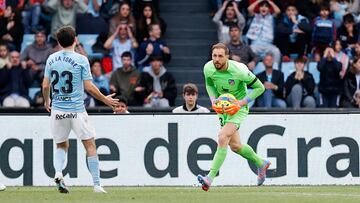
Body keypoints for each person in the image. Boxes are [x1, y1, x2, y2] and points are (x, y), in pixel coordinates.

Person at [42, 26, 120, 194]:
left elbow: (45, 85)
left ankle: (58, 173)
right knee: (90, 145)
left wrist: (47, 100)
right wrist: (105, 99)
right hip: (76, 109)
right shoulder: (81, 59)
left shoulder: (51, 59)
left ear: (58, 42)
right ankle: (97, 185)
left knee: (61, 144)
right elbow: (89, 87)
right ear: (75, 40)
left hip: (57, 110)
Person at [197, 43, 270, 191]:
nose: (216, 59)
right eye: (214, 56)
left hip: (239, 108)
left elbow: (260, 88)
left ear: (227, 57)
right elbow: (209, 84)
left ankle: (209, 178)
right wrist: (213, 100)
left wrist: (241, 103)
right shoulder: (208, 68)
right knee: (235, 146)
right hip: (222, 108)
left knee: (223, 137)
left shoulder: (240, 70)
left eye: (220, 56)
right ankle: (261, 163)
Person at [246, 0, 281, 66]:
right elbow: (249, 9)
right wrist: (259, 1)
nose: (264, 8)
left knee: (276, 51)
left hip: (268, 45)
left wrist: (269, 1)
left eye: (266, 6)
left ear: (269, 9)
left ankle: (275, 71)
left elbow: (278, 11)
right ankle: (249, 73)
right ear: (259, 8)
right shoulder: (254, 16)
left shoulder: (272, 17)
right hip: (255, 45)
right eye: (262, 6)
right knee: (248, 50)